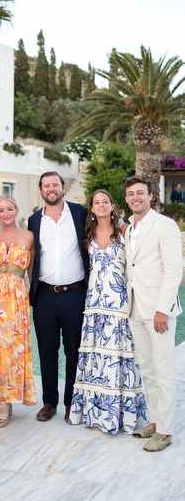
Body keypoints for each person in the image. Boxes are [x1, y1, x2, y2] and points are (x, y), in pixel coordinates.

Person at [69, 190, 146, 433]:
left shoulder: (124, 232)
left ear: (113, 206)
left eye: (105, 202)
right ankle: (94, 414)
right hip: (93, 301)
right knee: (95, 356)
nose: (101, 206)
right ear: (91, 208)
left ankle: (117, 415)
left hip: (117, 302)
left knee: (116, 356)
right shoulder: (88, 234)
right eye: (96, 203)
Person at [124, 176, 182, 452]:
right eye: (131, 194)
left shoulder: (165, 225)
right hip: (135, 308)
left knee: (163, 371)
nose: (135, 197)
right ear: (126, 199)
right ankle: (156, 422)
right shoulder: (129, 229)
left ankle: (167, 431)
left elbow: (174, 270)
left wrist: (163, 309)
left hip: (158, 310)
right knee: (147, 369)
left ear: (150, 196)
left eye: (140, 193)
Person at [28, 171, 88, 423]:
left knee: (74, 350)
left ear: (63, 188)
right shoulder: (33, 220)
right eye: (46, 186)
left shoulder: (80, 213)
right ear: (41, 191)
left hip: (75, 293)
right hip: (44, 295)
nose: (51, 189)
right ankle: (49, 402)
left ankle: (70, 402)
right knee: (47, 350)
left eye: (55, 185)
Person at [0, 195, 36, 428]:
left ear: (17, 210)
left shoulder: (28, 237)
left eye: (9, 209)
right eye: (0, 210)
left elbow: (32, 272)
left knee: (11, 348)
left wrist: (34, 299)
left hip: (16, 298)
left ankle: (7, 399)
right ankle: (1, 402)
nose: (5, 214)